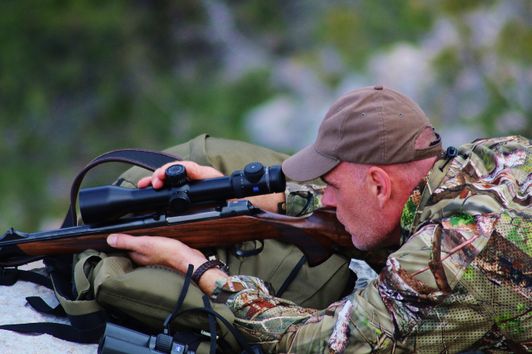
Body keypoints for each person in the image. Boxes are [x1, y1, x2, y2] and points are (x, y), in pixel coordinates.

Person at [106, 86, 531, 353]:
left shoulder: (445, 257)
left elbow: (319, 344)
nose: (325, 198)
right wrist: (243, 196)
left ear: (380, 185)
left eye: (332, 186)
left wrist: (197, 268)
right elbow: (381, 218)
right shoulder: (499, 155)